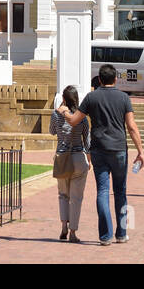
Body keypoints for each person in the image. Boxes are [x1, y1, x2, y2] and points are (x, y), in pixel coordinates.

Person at [57, 64, 144, 245]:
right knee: (120, 192)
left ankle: (105, 236)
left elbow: (74, 121)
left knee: (103, 191)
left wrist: (64, 110)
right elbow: (131, 126)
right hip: (119, 149)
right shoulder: (123, 98)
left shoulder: (92, 97)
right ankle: (121, 234)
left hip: (98, 149)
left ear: (99, 80)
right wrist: (140, 151)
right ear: (115, 79)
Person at [50, 85, 91, 243]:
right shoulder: (82, 117)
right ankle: (73, 232)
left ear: (64, 99)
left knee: (63, 195)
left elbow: (52, 131)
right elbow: (87, 140)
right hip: (78, 157)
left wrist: (58, 111)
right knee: (76, 197)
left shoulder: (57, 115)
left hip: (62, 156)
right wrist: (89, 159)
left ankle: (63, 227)